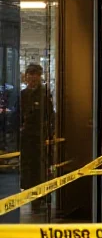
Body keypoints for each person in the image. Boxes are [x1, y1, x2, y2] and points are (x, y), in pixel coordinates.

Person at [20, 63, 55, 212]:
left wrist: (49, 134)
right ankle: (32, 196)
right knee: (28, 168)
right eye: (30, 75)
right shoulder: (23, 95)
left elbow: (50, 116)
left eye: (36, 75)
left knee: (41, 167)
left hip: (40, 138)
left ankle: (42, 195)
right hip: (27, 139)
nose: (33, 78)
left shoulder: (44, 94)